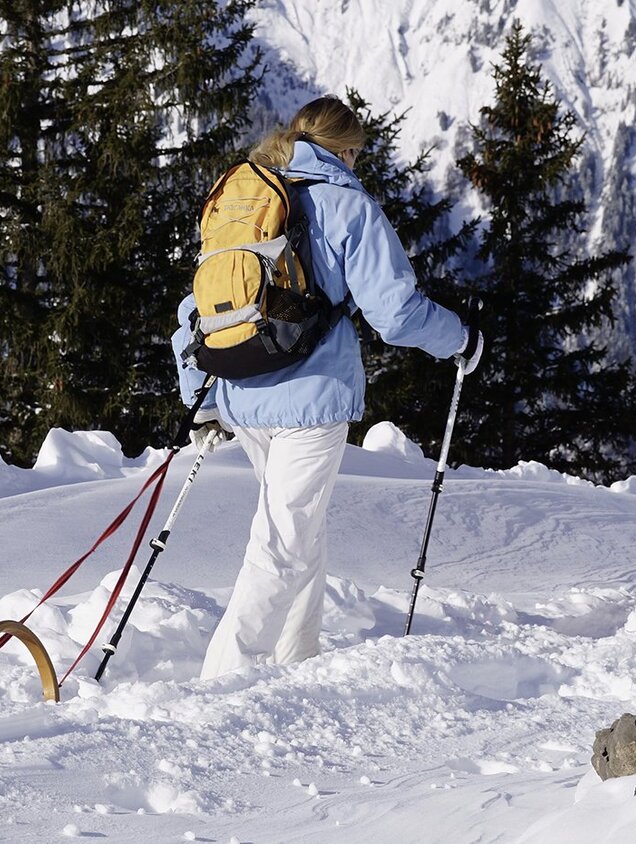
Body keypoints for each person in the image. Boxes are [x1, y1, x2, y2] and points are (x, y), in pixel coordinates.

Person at [173, 95, 485, 680]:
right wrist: (461, 340)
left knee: (299, 528)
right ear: (344, 149)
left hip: (243, 390)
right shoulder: (346, 205)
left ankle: (297, 659)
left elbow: (199, 304)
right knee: (283, 541)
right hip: (311, 399)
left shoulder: (248, 196)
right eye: (356, 154)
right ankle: (223, 677)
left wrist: (204, 396)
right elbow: (396, 315)